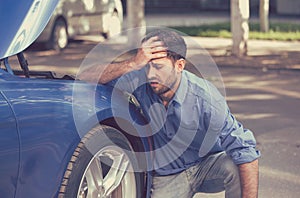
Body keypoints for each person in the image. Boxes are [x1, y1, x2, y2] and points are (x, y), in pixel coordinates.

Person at [79, 29, 260, 198]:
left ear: (179, 65)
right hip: (169, 175)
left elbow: (245, 149)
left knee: (234, 166)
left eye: (158, 67)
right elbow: (85, 77)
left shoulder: (206, 99)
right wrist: (133, 63)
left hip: (207, 165)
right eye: (147, 66)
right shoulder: (140, 79)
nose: (150, 75)